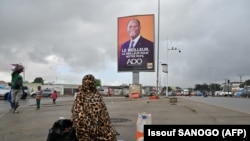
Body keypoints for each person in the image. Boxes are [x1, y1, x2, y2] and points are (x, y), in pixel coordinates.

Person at [71, 74, 117, 141]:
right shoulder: (97, 95)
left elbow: (75, 112)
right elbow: (105, 114)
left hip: (89, 131)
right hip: (98, 130)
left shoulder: (81, 95)